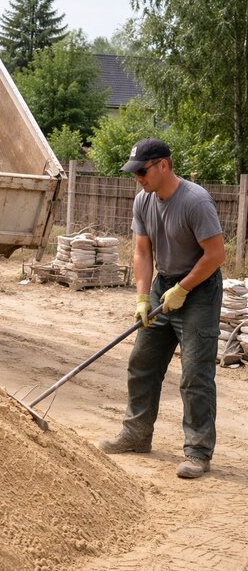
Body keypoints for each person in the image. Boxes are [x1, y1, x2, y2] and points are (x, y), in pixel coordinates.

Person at [99, 137, 225, 479]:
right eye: (134, 172)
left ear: (162, 166)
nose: (137, 178)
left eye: (141, 171)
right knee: (142, 362)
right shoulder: (143, 200)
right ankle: (137, 434)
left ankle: (198, 452)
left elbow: (215, 255)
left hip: (199, 289)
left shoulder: (195, 202)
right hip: (163, 287)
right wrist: (143, 297)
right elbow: (142, 252)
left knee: (195, 374)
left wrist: (183, 289)